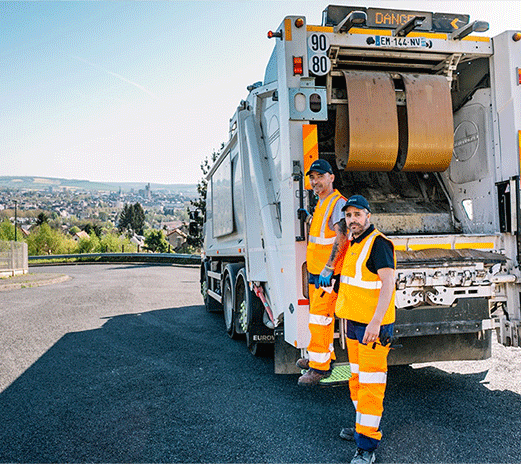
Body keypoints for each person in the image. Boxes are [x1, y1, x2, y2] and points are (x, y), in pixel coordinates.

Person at [335, 195, 396, 464]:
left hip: (372, 327)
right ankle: (362, 428)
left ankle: (367, 447)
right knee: (357, 380)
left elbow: (388, 284)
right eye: (349, 216)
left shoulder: (378, 243)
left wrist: (376, 322)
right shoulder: (353, 243)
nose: (353, 220)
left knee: (371, 385)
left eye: (357, 215)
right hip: (354, 324)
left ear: (368, 216)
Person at [296, 159, 348, 386]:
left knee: (320, 319)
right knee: (319, 319)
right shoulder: (323, 202)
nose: (315, 181)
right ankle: (322, 357)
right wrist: (308, 217)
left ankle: (319, 368)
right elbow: (322, 231)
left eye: (320, 176)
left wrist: (329, 266)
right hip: (318, 271)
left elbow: (342, 236)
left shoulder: (337, 202)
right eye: (312, 177)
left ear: (331, 177)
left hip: (327, 272)